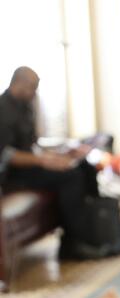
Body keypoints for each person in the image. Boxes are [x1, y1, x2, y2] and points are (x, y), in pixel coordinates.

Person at [0, 67, 106, 261]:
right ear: (19, 83)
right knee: (70, 176)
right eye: (32, 87)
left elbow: (32, 145)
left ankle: (97, 229)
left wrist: (61, 154)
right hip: (13, 174)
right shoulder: (2, 109)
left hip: (31, 165)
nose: (34, 92)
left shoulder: (25, 107)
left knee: (83, 167)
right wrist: (44, 161)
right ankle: (74, 243)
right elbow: (6, 155)